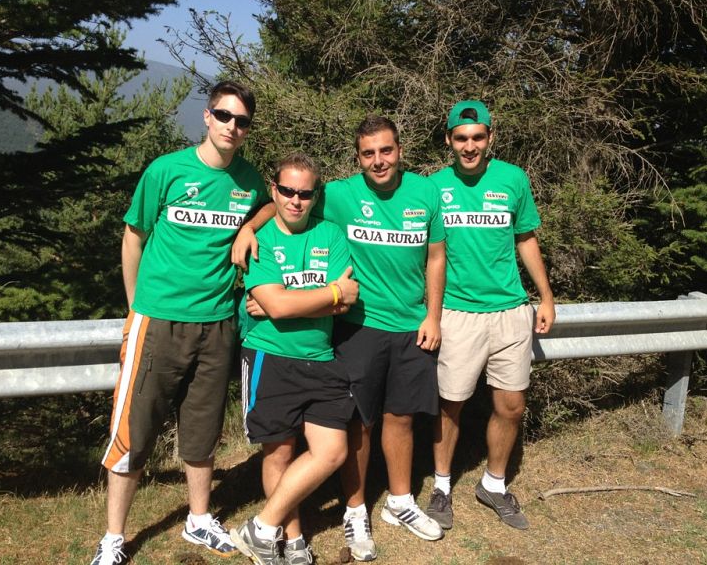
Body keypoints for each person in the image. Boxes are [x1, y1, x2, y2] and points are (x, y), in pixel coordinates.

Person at [234, 115, 447, 561]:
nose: (378, 160)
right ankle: (352, 512)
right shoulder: (340, 194)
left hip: (407, 324)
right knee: (358, 425)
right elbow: (289, 202)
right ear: (358, 158)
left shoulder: (425, 192)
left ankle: (401, 502)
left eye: (386, 150)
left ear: (400, 150)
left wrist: (433, 315)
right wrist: (249, 228)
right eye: (369, 153)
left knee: (401, 417)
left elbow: (435, 256)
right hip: (356, 331)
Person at [90, 81, 271, 565]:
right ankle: (113, 539)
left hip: (215, 324)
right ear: (207, 118)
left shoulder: (249, 181)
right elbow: (133, 236)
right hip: (158, 320)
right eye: (225, 116)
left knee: (202, 428)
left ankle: (198, 519)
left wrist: (250, 226)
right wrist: (136, 307)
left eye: (242, 121)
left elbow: (274, 200)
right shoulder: (166, 170)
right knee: (135, 429)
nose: (233, 126)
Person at [425, 100, 555, 532]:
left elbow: (526, 239)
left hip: (510, 312)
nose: (469, 146)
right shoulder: (433, 188)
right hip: (457, 313)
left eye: (477, 137)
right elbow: (425, 255)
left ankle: (494, 484)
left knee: (511, 405)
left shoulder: (513, 179)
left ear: (490, 139)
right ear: (448, 140)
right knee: (450, 405)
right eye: (461, 138)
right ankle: (442, 486)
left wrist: (546, 296)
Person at [231, 153, 359, 565]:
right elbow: (287, 305)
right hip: (271, 355)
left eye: (305, 193)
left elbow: (346, 300)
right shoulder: (260, 239)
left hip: (321, 357)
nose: (295, 200)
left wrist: (285, 303)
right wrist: (326, 296)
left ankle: (260, 528)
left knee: (332, 452)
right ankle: (293, 539)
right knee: (280, 452)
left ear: (315, 195)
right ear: (274, 190)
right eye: (287, 191)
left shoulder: (332, 235)